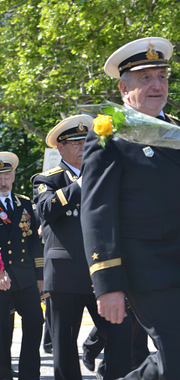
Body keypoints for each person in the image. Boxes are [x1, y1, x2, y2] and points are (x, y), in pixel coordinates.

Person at [81, 37, 180, 379]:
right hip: (149, 268)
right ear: (124, 88)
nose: (158, 85)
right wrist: (107, 284)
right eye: (146, 78)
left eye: (162, 77)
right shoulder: (110, 133)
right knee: (175, 353)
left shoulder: (176, 131)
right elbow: (97, 211)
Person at [33, 115, 132, 380]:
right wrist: (81, 183)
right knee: (64, 348)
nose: (81, 147)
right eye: (74, 143)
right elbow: (45, 209)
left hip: (102, 272)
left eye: (85, 141)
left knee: (122, 335)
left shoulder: (106, 174)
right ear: (60, 148)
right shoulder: (47, 178)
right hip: (65, 274)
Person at [0, 152, 43, 380]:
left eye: (6, 176)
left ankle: (29, 375)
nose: (3, 182)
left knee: (35, 322)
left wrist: (40, 273)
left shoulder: (25, 204)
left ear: (13, 176)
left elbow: (35, 241)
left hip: (25, 277)